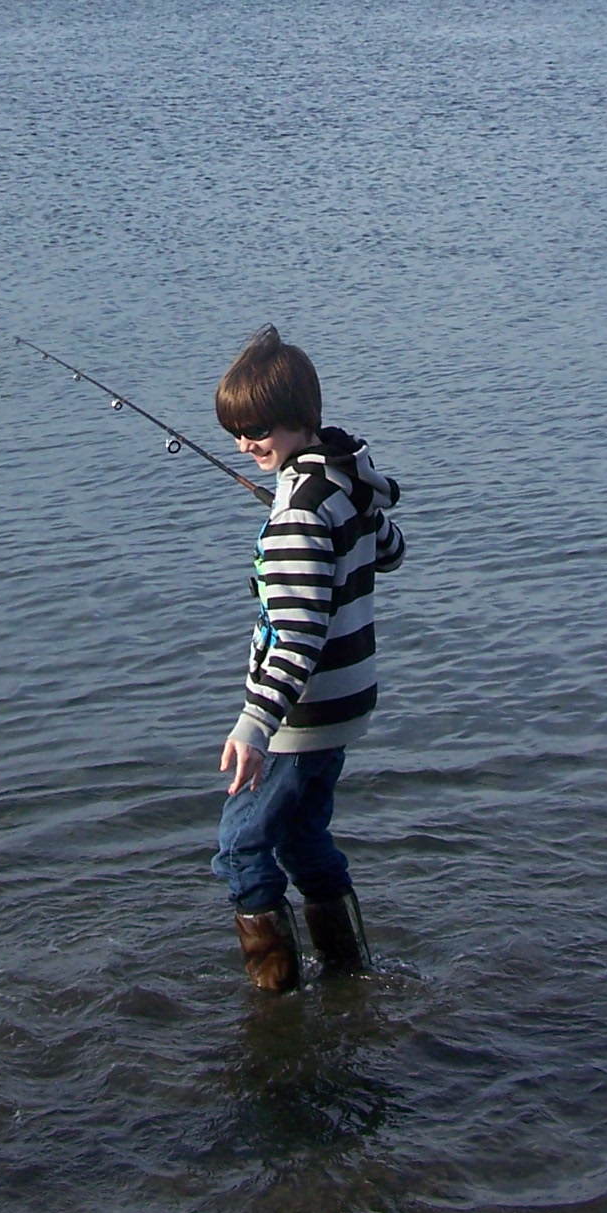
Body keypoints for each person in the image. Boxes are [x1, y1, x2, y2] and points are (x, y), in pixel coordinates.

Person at [211, 326, 404, 992]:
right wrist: (320, 506)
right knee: (302, 840)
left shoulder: (300, 511)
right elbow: (390, 548)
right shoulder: (340, 485)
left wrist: (254, 726)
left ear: (297, 418)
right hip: (345, 708)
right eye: (235, 430)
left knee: (240, 847)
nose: (243, 444)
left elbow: (296, 637)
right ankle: (350, 978)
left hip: (300, 714)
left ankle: (276, 1003)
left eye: (256, 428)